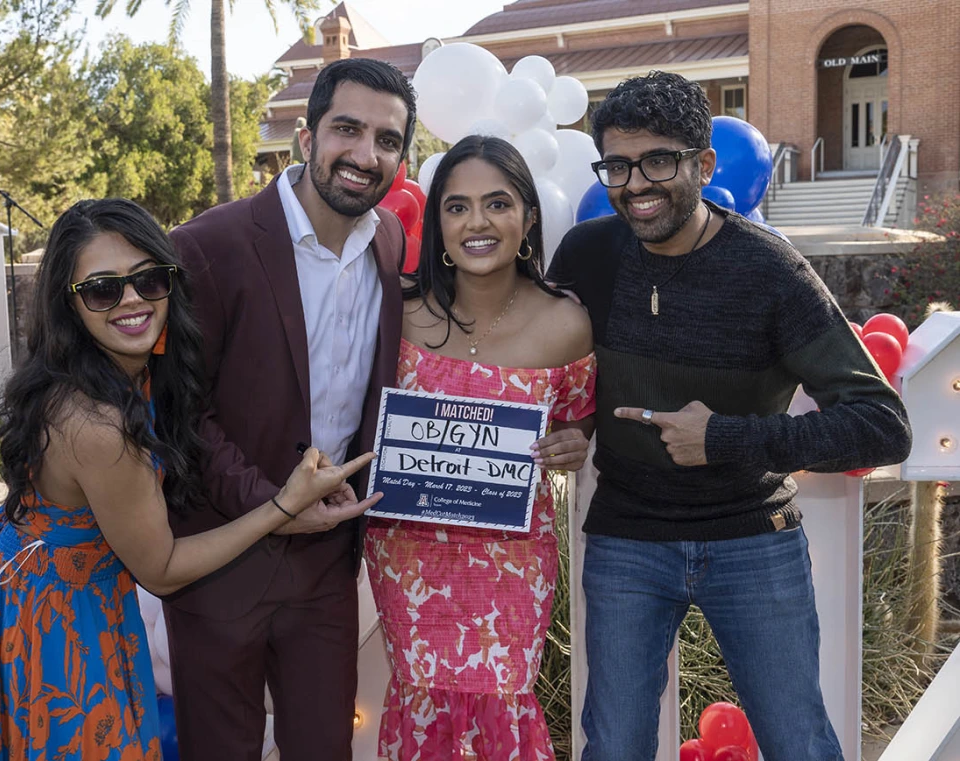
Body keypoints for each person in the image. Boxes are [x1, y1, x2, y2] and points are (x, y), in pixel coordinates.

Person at [546, 71, 912, 761]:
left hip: (753, 540)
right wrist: (578, 427)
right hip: (628, 540)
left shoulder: (772, 271)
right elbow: (567, 369)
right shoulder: (588, 255)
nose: (635, 183)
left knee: (798, 743)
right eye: (618, 165)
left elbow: (880, 423)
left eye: (658, 160)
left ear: (704, 164)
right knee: (614, 747)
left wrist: (725, 438)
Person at [0, 198, 376, 761]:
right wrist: (282, 508)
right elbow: (163, 569)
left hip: (67, 598)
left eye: (148, 279)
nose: (131, 301)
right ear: (69, 303)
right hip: (59, 623)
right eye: (104, 289)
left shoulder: (128, 375)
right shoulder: (97, 424)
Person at [163, 57, 415, 761]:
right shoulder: (207, 245)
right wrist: (274, 504)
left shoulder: (389, 244)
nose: (366, 156)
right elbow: (181, 414)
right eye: (347, 129)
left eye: (387, 140)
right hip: (222, 556)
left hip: (327, 569)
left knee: (324, 747)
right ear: (306, 138)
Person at [365, 135, 597, 760]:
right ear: (438, 221)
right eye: (457, 206)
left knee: (504, 697)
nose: (477, 223)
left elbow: (579, 419)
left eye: (497, 204)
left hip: (513, 556)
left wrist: (576, 444)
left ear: (526, 217)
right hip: (408, 553)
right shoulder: (398, 310)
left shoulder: (567, 323)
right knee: (421, 696)